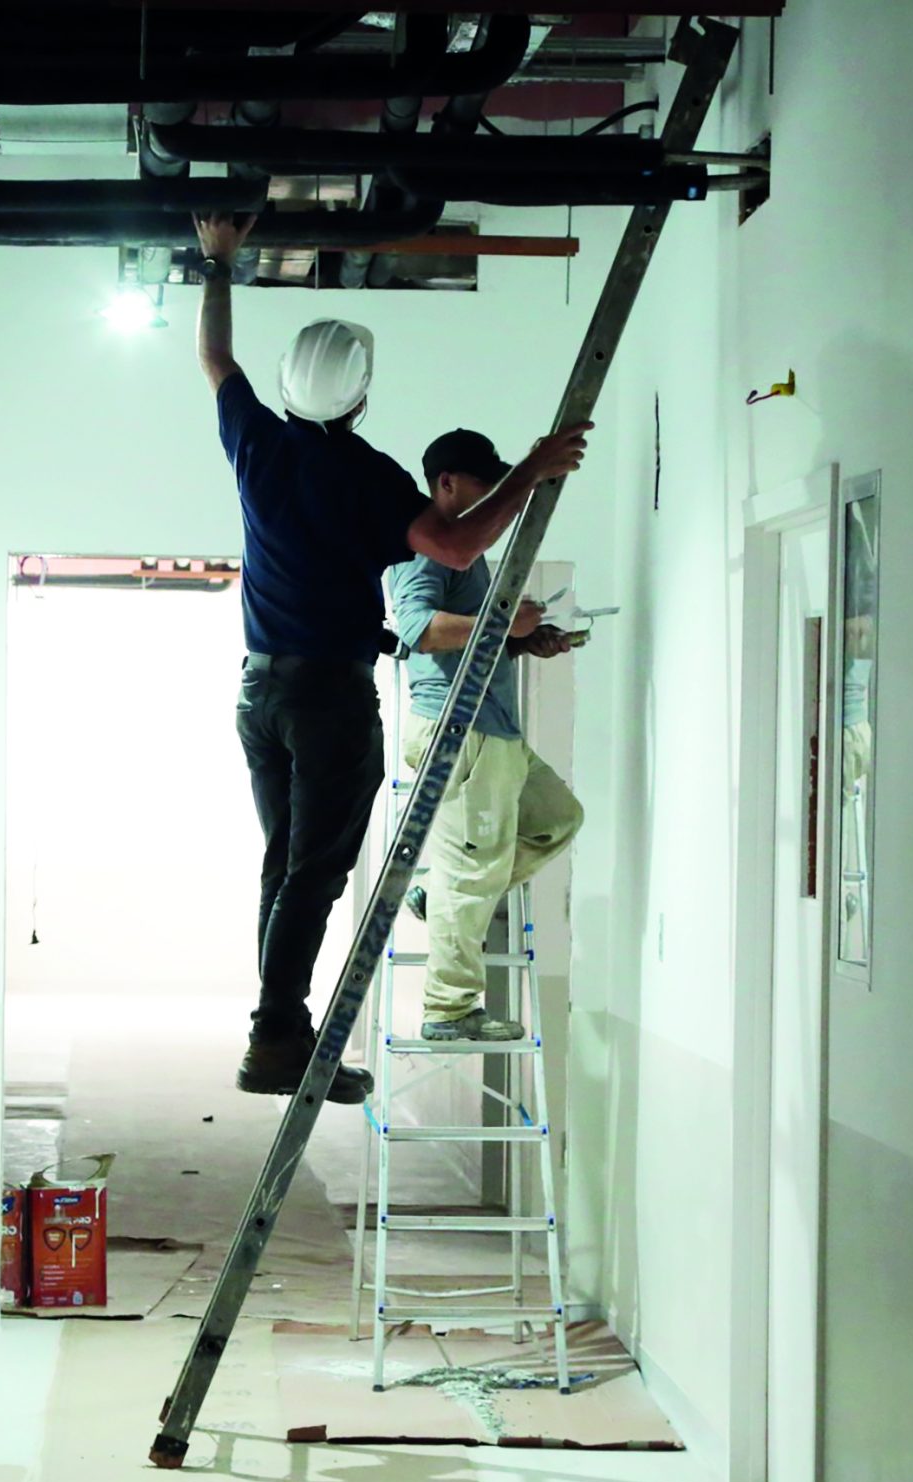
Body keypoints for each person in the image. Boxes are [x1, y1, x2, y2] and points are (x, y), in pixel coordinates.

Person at [191, 210, 591, 1095]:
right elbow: (453, 548)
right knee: (311, 875)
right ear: (361, 396)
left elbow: (216, 359)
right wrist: (532, 470)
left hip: (259, 696)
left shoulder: (255, 440)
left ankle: (277, 1033)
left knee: (287, 867)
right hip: (330, 703)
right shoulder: (369, 475)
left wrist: (218, 262)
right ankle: (276, 1038)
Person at [385, 428, 586, 1041]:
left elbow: (476, 640)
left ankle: (431, 890)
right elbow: (418, 628)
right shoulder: (424, 553)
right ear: (447, 483)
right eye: (483, 484)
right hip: (459, 729)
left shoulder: (466, 558)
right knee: (470, 875)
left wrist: (523, 641)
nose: (495, 498)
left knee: (557, 818)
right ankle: (448, 1010)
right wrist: (501, 620)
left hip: (491, 728)